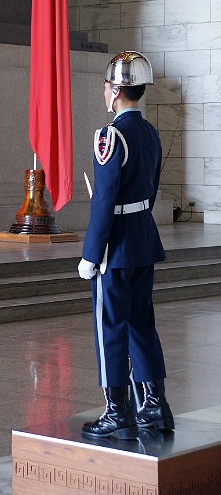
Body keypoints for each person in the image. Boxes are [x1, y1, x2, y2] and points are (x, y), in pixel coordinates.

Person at [78, 51, 174, 440]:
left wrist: (90, 254)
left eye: (107, 87)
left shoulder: (110, 135)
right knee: (142, 324)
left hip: (115, 248)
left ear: (116, 90)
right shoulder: (150, 133)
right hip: (143, 241)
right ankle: (155, 405)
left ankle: (117, 411)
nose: (105, 93)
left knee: (110, 327)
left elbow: (104, 200)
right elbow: (148, 192)